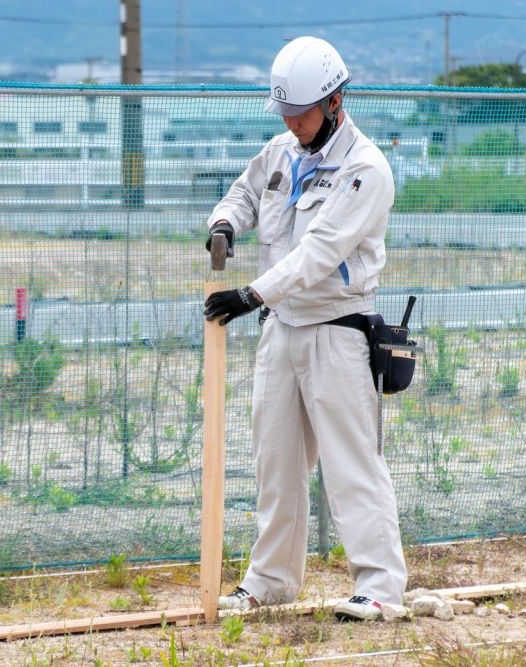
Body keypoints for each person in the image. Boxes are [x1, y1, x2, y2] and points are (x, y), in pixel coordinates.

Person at [202, 36, 407, 621]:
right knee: (277, 463)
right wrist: (224, 223)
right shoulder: (281, 151)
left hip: (336, 332)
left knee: (351, 464)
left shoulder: (365, 169)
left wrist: (250, 293)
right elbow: (244, 192)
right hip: (280, 330)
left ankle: (381, 588)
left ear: (336, 101)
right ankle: (269, 581)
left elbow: (319, 253)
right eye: (286, 114)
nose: (293, 124)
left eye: (302, 113)